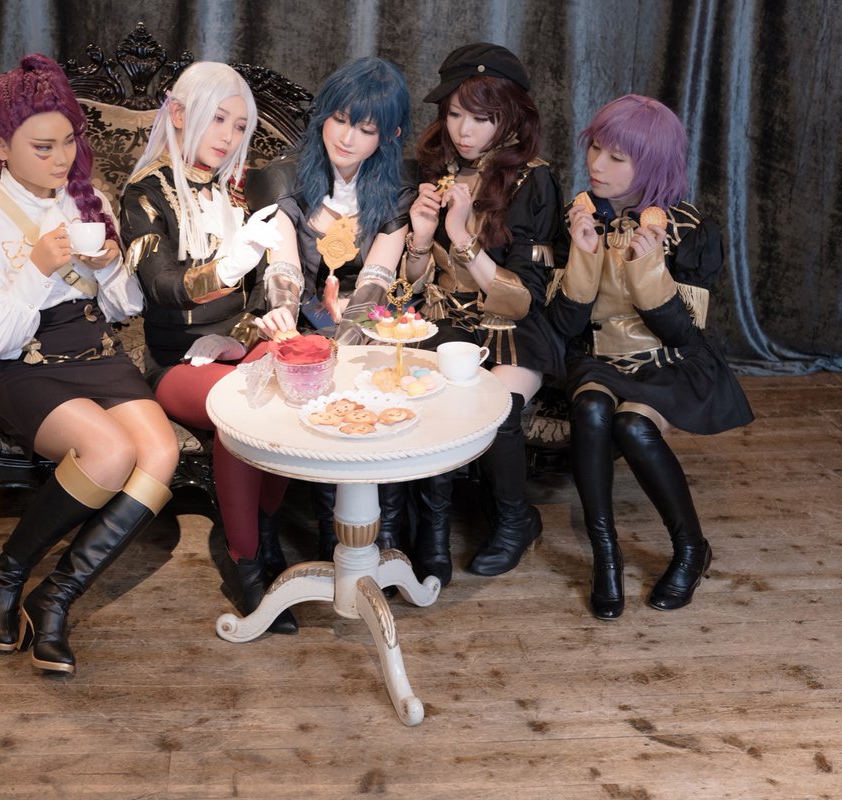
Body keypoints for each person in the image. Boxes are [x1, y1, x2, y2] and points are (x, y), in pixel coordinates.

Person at [0, 54, 180, 674]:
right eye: (43, 147)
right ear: (0, 146)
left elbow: (124, 308)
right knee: (110, 451)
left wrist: (112, 268)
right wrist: (37, 269)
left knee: (161, 455)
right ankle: (8, 571)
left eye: (69, 142)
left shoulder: (88, 200)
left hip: (94, 351)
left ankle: (54, 596)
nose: (61, 159)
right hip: (23, 364)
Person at [548, 94, 754, 619]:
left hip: (667, 359)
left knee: (634, 427)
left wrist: (648, 269)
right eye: (596, 148)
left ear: (653, 164)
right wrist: (583, 256)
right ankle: (606, 557)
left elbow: (683, 333)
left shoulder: (687, 228)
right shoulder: (579, 216)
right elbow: (565, 326)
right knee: (592, 408)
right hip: (599, 356)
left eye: (617, 157)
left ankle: (691, 549)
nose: (597, 164)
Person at [118, 62, 298, 633]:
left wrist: (261, 317)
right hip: (177, 361)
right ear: (178, 113)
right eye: (217, 119)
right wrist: (227, 266)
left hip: (238, 346)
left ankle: (266, 534)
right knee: (241, 411)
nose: (228, 136)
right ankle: (247, 564)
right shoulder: (145, 194)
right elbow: (162, 289)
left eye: (239, 126)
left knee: (295, 377)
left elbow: (262, 283)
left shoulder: (236, 190)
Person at [401, 43, 568, 587]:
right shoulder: (435, 170)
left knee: (499, 406)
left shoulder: (533, 181)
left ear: (511, 116)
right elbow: (413, 287)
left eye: (482, 117)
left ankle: (516, 522)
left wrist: (459, 236)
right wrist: (422, 238)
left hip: (513, 326)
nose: (463, 130)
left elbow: (521, 298)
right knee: (419, 398)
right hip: (446, 318)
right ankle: (432, 535)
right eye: (454, 114)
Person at [252, 56, 415, 562]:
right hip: (300, 325)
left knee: (376, 392)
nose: (346, 138)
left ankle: (383, 536)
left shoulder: (396, 193)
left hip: (365, 326)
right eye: (340, 120)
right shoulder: (283, 178)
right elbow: (283, 268)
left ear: (389, 135)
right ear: (323, 114)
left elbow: (376, 283)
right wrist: (284, 314)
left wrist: (344, 347)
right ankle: (332, 536)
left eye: (365, 129)